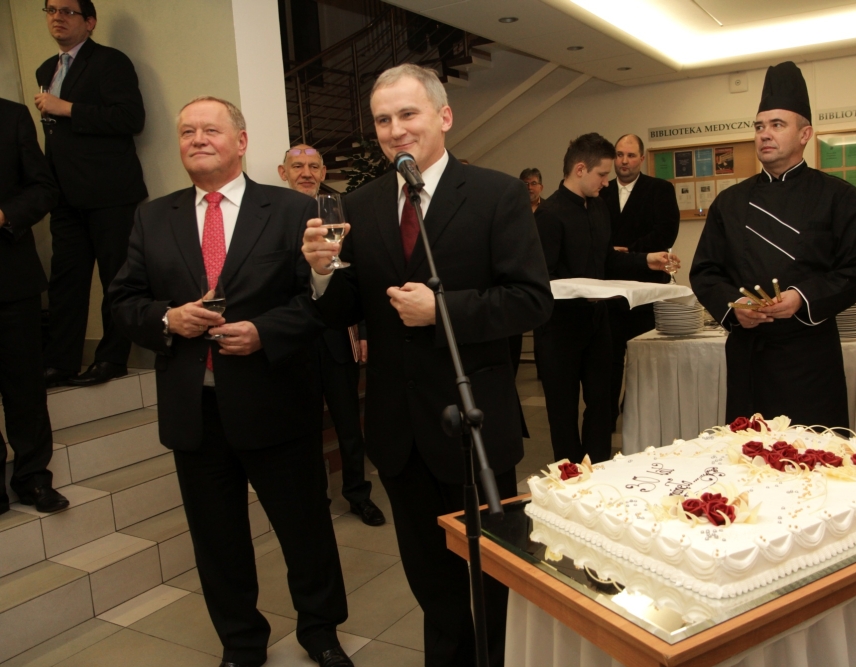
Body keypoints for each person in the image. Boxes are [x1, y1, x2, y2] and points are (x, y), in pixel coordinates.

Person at [301, 64, 552, 667]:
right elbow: (342, 310)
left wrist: (442, 311)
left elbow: (530, 300)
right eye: (383, 120)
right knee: (431, 581)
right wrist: (321, 273)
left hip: (475, 423)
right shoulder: (360, 204)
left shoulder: (495, 194)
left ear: (444, 116)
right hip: (399, 429)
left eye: (407, 114)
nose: (395, 130)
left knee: (494, 574)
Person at [110, 97, 352, 667]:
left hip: (275, 401)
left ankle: (320, 631)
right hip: (195, 411)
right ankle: (241, 642)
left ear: (241, 142)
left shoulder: (293, 211)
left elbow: (322, 301)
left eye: (210, 130)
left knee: (305, 530)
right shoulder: (153, 217)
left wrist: (266, 332)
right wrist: (167, 318)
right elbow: (123, 300)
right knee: (217, 541)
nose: (197, 139)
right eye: (187, 131)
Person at [690, 61, 856, 427]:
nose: (765, 134)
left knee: (815, 453)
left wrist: (801, 298)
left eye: (777, 125)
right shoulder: (730, 202)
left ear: (805, 134)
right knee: (749, 451)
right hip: (749, 354)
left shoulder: (838, 196)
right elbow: (705, 271)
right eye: (759, 126)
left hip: (810, 355)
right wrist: (735, 306)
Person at [534, 133, 676, 465]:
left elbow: (607, 261)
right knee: (563, 410)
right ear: (580, 169)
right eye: (601, 174)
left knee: (602, 404)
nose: (606, 182)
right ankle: (569, 476)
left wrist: (646, 260)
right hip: (559, 328)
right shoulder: (549, 215)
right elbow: (543, 280)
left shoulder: (598, 207)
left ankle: (598, 468)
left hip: (598, 322)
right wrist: (583, 292)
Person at [35, 0, 148, 388]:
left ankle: (112, 358)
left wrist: (66, 108)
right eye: (51, 10)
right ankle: (59, 362)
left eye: (67, 11)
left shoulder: (110, 62)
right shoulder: (46, 69)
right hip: (64, 195)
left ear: (90, 21)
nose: (57, 17)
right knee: (65, 281)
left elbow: (130, 118)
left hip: (109, 192)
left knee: (116, 278)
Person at [278, 144, 385, 526]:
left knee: (348, 425)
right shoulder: (272, 217)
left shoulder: (341, 214)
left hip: (338, 338)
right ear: (283, 172)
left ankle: (358, 494)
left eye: (313, 166)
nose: (306, 173)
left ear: (323, 173)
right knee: (303, 428)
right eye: (297, 166)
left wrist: (366, 330)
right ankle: (314, 498)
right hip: (294, 345)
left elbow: (362, 278)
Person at [0, 98, 68, 515]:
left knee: (25, 387)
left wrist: (4, 214)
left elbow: (44, 189)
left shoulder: (11, 116)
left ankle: (34, 479)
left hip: (11, 279)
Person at [599, 134, 680, 428]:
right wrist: (611, 252)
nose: (624, 161)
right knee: (609, 357)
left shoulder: (660, 190)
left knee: (643, 357)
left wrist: (629, 253)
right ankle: (607, 415)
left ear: (642, 159)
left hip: (645, 288)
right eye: (620, 155)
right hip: (608, 288)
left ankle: (636, 413)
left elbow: (665, 232)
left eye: (631, 155)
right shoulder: (601, 190)